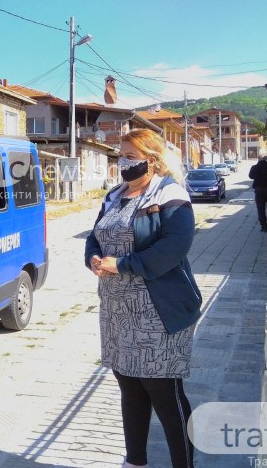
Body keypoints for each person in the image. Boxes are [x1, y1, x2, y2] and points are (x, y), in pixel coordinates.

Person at [84, 129, 202, 468]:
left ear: (152, 160)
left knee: (163, 391)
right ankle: (135, 461)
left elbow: (173, 249)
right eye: (120, 155)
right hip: (118, 309)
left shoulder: (169, 194)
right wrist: (93, 257)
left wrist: (122, 264)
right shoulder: (114, 195)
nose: (123, 162)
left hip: (158, 309)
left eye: (131, 156)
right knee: (129, 385)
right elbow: (96, 236)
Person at [248, 151, 267, 232]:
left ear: (258, 159)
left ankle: (264, 226)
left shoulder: (255, 167)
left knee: (260, 209)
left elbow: (251, 176)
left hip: (258, 190)